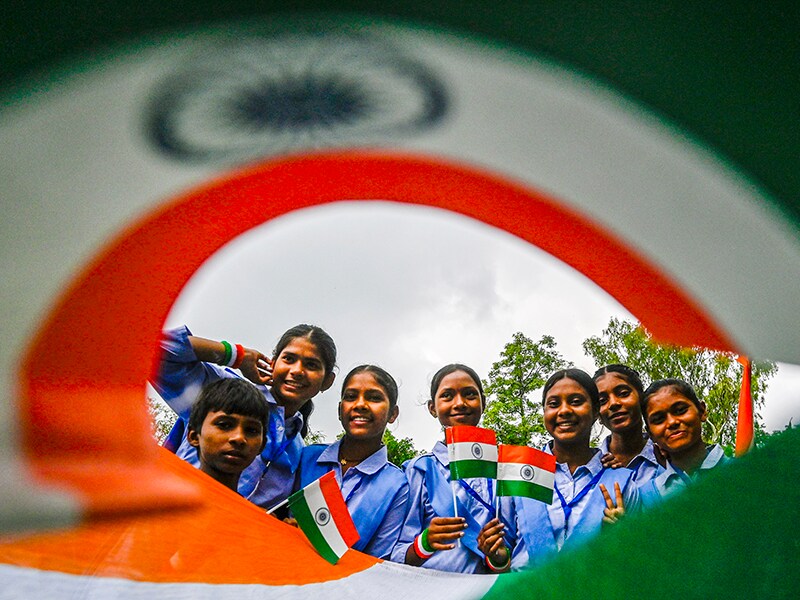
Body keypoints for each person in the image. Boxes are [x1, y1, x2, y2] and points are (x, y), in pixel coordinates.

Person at [152, 324, 336, 509]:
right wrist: (235, 356)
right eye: (289, 359)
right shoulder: (223, 391)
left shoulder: (296, 449)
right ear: (272, 364)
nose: (297, 371)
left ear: (327, 381)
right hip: (173, 517)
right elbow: (152, 348)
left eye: (311, 365)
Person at [504, 368, 640, 571]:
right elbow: (502, 553)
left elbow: (637, 561)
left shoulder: (622, 481)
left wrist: (623, 538)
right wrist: (495, 555)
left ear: (596, 411)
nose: (564, 410)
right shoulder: (520, 473)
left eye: (576, 402)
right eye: (553, 404)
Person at [391, 364, 505, 574]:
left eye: (469, 394)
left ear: (483, 402)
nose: (459, 403)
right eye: (447, 396)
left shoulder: (507, 468)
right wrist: (424, 543)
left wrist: (497, 557)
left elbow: (521, 552)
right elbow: (394, 554)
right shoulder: (420, 471)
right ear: (432, 408)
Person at [296, 365, 409, 559]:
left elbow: (378, 560)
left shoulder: (397, 485)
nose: (360, 405)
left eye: (374, 398)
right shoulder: (306, 457)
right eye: (351, 397)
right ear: (340, 410)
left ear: (393, 414)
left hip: (341, 584)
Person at [639, 378, 729, 506]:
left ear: (702, 411)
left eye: (680, 410)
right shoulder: (647, 497)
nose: (672, 422)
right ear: (650, 433)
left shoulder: (742, 471)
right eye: (658, 419)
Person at [186, 378, 269, 492]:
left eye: (251, 430)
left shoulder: (246, 510)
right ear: (194, 436)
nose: (239, 438)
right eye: (224, 425)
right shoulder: (161, 499)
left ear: (262, 445)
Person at [594, 364, 663, 486]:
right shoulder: (590, 464)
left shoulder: (668, 456)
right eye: (602, 401)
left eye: (623, 393)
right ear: (597, 414)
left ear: (641, 399)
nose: (613, 403)